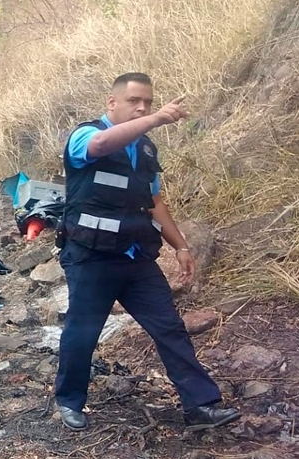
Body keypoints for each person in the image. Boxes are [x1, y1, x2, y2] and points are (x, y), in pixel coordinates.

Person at [54, 72, 240, 432]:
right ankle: (69, 401)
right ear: (112, 103)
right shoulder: (85, 135)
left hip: (135, 257)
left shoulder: (145, 150)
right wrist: (154, 120)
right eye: (134, 101)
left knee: (170, 327)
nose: (142, 108)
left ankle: (200, 406)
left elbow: (154, 202)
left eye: (149, 103)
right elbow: (100, 146)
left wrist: (181, 246)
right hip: (91, 256)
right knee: (83, 331)